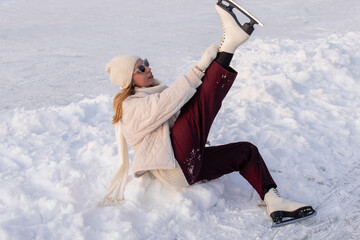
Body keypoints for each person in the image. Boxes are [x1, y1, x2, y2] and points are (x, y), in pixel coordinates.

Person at [100, 1, 316, 226]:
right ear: (129, 80)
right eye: (140, 68)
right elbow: (169, 102)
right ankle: (230, 43)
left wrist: (206, 68)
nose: (148, 68)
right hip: (175, 166)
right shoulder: (131, 107)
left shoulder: (154, 95)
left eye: (145, 62)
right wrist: (200, 67)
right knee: (199, 103)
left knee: (246, 151)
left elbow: (180, 99)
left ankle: (273, 200)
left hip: (190, 164)